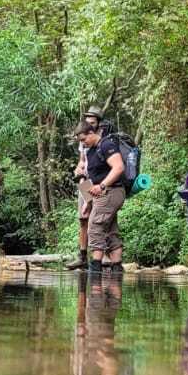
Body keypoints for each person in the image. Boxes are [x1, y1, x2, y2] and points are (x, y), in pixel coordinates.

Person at [77, 120, 126, 272]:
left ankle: (95, 268)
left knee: (95, 226)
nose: (83, 143)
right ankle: (117, 267)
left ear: (91, 133)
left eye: (84, 139)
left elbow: (119, 168)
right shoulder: (90, 150)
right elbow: (90, 179)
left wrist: (103, 185)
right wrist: (87, 202)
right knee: (110, 228)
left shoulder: (107, 145)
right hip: (100, 195)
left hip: (111, 191)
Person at [67, 106, 107, 271]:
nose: (89, 123)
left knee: (99, 219)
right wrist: (79, 169)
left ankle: (103, 256)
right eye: (87, 120)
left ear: (98, 123)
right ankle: (82, 255)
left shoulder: (105, 139)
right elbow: (82, 160)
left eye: (92, 121)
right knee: (83, 218)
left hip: (101, 183)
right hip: (85, 181)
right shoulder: (83, 141)